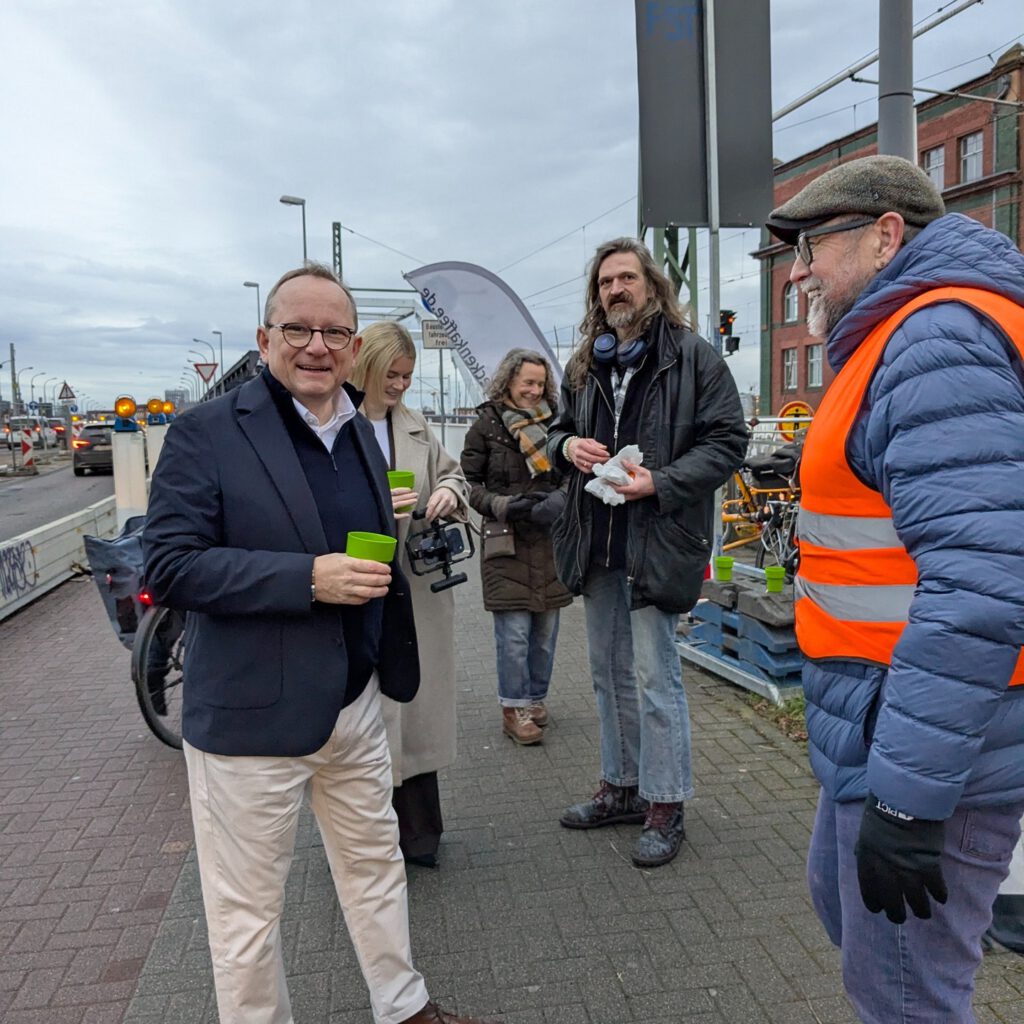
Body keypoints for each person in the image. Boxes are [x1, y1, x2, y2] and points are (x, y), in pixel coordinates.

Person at [143, 263, 496, 1024]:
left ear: (353, 345)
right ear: (265, 337)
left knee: (375, 868)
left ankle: (404, 1007)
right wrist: (306, 579)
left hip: (355, 704)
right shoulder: (207, 433)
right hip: (250, 722)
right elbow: (170, 566)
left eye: (335, 332)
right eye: (298, 329)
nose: (317, 346)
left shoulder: (363, 433)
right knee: (248, 919)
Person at [764, 154, 1024, 1023]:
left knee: (904, 997)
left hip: (932, 751)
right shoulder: (899, 336)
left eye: (812, 247)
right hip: (887, 725)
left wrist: (907, 801)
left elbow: (981, 581)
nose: (798, 270)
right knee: (849, 917)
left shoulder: (934, 340)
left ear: (885, 237)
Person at [547, 238, 747, 868]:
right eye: (605, 282)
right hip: (598, 543)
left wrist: (659, 481)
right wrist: (566, 448)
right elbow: (554, 429)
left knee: (657, 679)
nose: (615, 290)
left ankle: (666, 802)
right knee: (608, 678)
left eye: (626, 278)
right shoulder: (584, 363)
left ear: (651, 285)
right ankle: (622, 787)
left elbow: (728, 440)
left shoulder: (693, 357)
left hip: (657, 541)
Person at [351, 320, 470, 868]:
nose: (399, 386)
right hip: (357, 585)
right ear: (364, 366)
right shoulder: (333, 424)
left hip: (417, 587)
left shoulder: (416, 424)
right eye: (390, 375)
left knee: (415, 709)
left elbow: (455, 475)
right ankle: (367, 842)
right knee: (364, 716)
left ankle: (420, 836)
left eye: (407, 376)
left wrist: (446, 490)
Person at [460, 348, 572, 746]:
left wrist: (559, 501)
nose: (534, 390)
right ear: (508, 380)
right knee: (514, 634)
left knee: (545, 632)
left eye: (540, 383)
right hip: (505, 541)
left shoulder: (559, 423)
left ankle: (536, 698)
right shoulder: (486, 426)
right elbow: (467, 484)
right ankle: (514, 708)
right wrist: (502, 505)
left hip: (549, 540)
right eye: (527, 382)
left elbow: (571, 473)